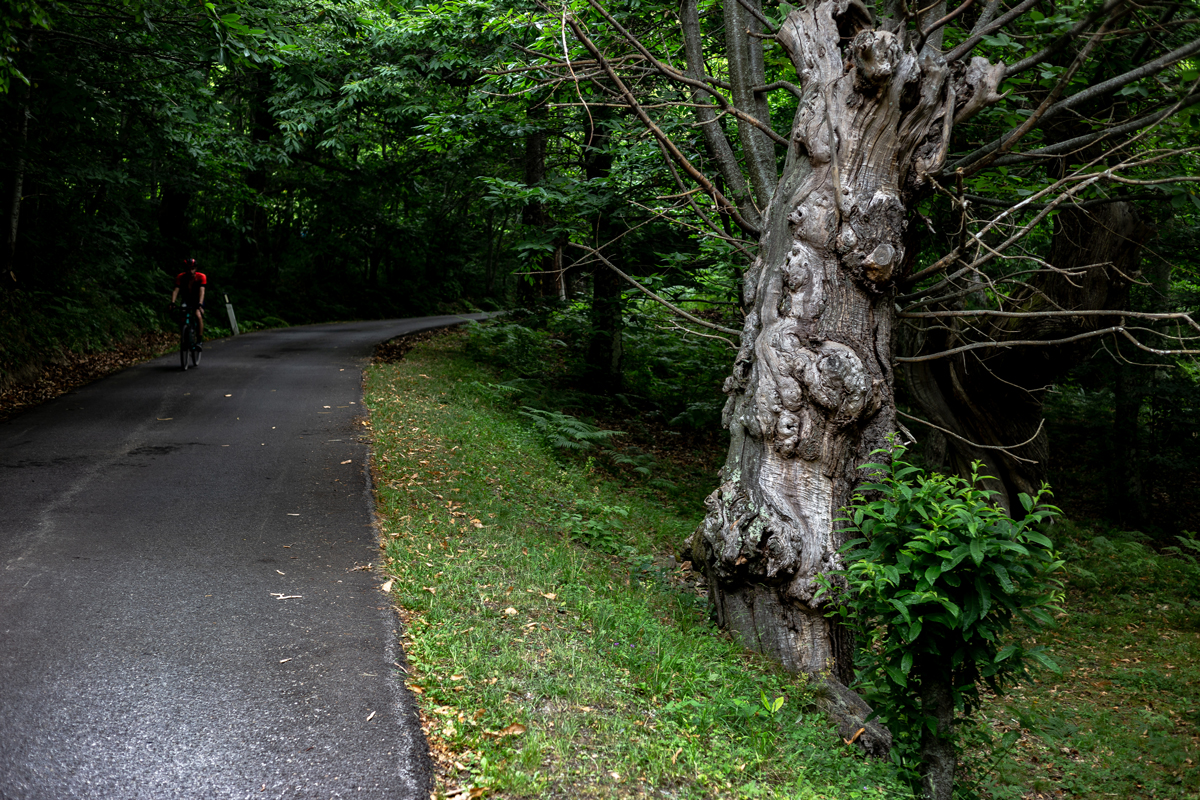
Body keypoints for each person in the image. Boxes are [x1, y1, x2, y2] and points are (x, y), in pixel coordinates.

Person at [171, 257, 207, 346]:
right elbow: (176, 290)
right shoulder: (181, 277)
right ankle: (184, 333)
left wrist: (200, 304)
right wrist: (172, 302)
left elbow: (202, 291)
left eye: (192, 269)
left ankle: (199, 340)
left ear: (195, 269)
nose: (190, 271)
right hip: (186, 299)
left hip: (197, 300)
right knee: (182, 314)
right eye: (188, 269)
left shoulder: (201, 277)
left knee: (198, 316)